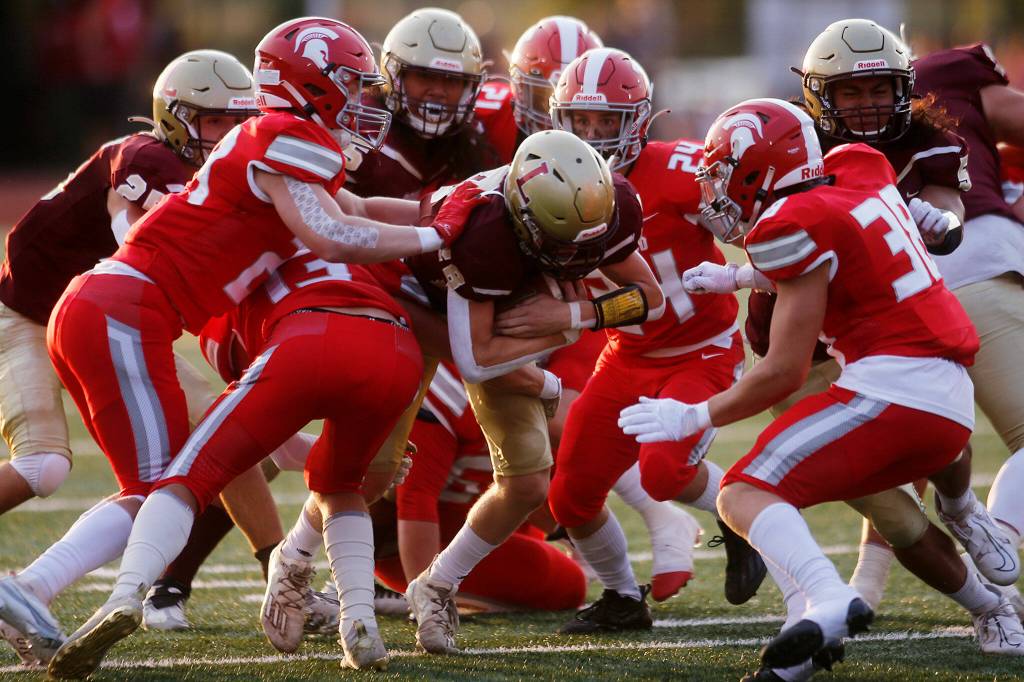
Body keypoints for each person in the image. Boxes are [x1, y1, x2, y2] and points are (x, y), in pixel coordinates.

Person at [34, 16, 476, 680]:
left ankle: (106, 593)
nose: (362, 99)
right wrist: (435, 234)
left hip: (133, 308)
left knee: (166, 482)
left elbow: (351, 211)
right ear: (310, 84)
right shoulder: (285, 139)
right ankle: (349, 618)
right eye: (350, 84)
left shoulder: (269, 153)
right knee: (192, 481)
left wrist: (435, 208)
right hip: (146, 308)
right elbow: (334, 233)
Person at [619, 98, 983, 671]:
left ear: (758, 171)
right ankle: (991, 604)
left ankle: (827, 597)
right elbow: (843, 248)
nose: (715, 187)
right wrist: (737, 275)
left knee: (739, 493)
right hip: (952, 403)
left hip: (890, 392)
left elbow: (784, 370)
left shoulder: (792, 224)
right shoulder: (860, 166)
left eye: (723, 171)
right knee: (854, 507)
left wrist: (690, 417)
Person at [0, 49, 279, 667]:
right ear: (176, 119)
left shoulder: (207, 169)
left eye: (238, 122)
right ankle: (35, 587)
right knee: (49, 466)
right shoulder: (149, 157)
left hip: (105, 316)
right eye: (213, 123)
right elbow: (145, 236)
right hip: (33, 314)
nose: (228, 137)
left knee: (218, 433)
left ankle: (281, 573)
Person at [526, 48, 763, 635]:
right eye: (580, 122)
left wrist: (746, 267)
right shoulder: (547, 176)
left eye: (607, 121)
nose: (592, 135)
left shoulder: (680, 170)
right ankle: (623, 598)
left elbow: (760, 227)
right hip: (625, 354)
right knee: (571, 496)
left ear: (637, 121)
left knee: (662, 472)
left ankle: (739, 519)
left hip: (699, 350)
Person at [401, 129, 664, 654]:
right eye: (559, 245)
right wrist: (562, 330)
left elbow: (652, 300)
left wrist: (574, 314)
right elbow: (475, 358)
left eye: (584, 246)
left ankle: (434, 586)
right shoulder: (483, 235)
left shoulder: (606, 206)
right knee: (377, 470)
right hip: (420, 307)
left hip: (505, 320)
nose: (573, 259)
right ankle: (301, 568)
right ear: (523, 217)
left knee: (526, 483)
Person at [914, 40, 1024, 613]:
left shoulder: (823, 125)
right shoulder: (943, 73)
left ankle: (859, 588)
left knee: (908, 459)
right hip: (975, 262)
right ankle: (999, 539)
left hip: (889, 299)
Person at [370, 360, 587, 612]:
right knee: (567, 585)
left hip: (475, 514)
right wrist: (427, 600)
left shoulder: (562, 350)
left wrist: (587, 541)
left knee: (531, 482)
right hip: (409, 538)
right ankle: (392, 589)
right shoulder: (447, 389)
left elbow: (533, 490)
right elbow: (414, 500)